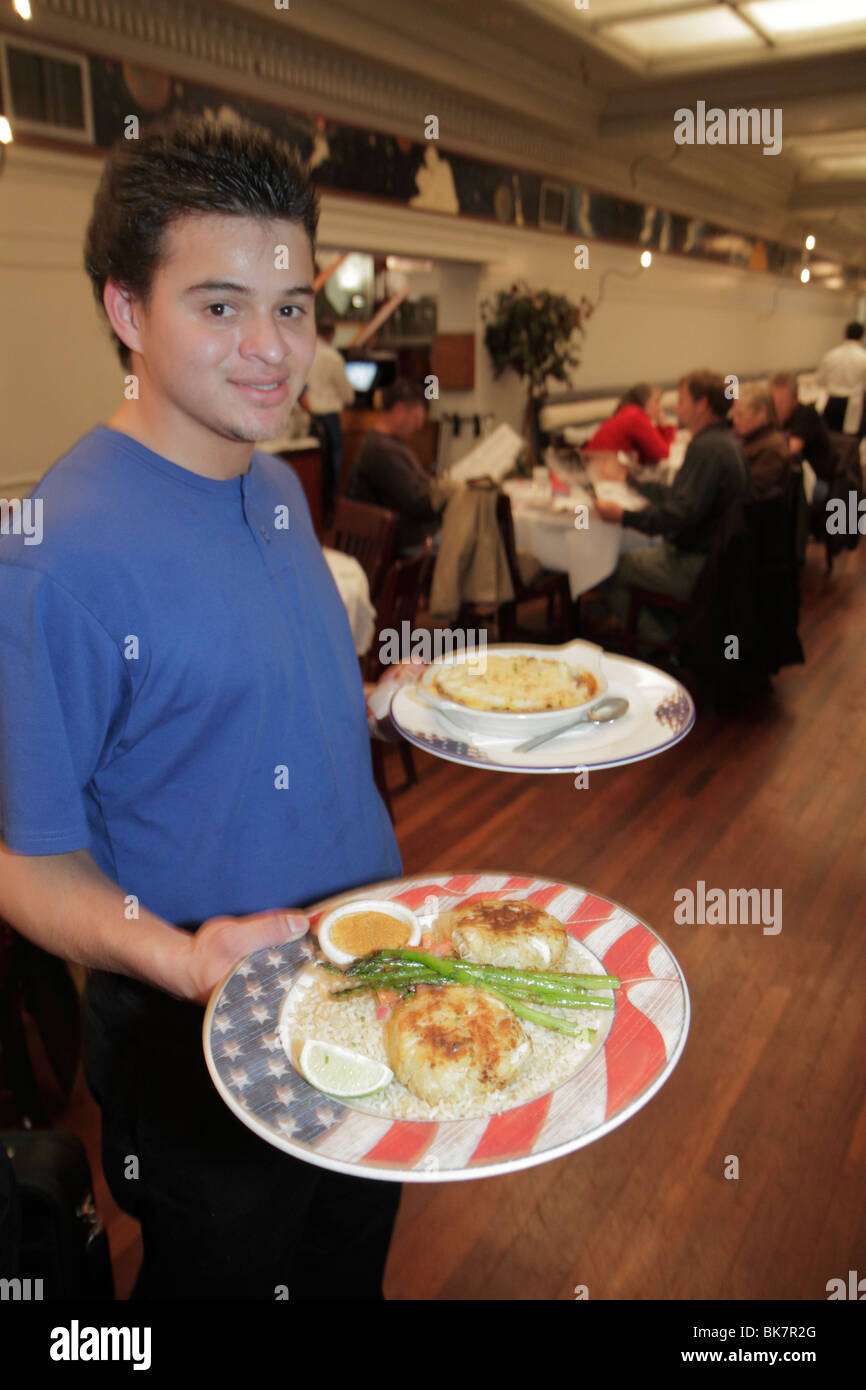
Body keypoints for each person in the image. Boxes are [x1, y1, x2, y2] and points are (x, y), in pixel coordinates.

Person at [0, 113, 409, 1301]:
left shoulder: (277, 483)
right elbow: (29, 866)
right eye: (218, 305)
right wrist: (185, 962)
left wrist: (384, 703)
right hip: (198, 1034)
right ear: (128, 311)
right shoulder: (52, 557)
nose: (271, 349)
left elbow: (249, 705)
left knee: (345, 1275)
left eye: (290, 306)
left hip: (365, 968)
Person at [593, 370, 748, 644]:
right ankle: (674, 628)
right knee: (641, 550)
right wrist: (631, 479)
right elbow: (680, 497)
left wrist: (622, 516)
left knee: (604, 567)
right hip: (723, 561)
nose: (675, 409)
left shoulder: (706, 449)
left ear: (701, 405)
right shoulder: (725, 442)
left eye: (681, 401)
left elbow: (676, 516)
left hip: (698, 567)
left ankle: (662, 642)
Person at [345, 379, 444, 554]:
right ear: (399, 410)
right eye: (417, 418)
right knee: (468, 543)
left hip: (407, 531)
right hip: (401, 540)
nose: (420, 425)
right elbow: (417, 503)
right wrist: (445, 493)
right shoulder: (381, 450)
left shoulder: (387, 443)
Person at [299, 317, 355, 525]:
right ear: (331, 334)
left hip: (308, 418)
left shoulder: (303, 354)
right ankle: (328, 516)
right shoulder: (332, 357)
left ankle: (315, 516)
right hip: (329, 418)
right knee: (332, 467)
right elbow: (348, 394)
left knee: (314, 469)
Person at [769, 370, 837, 498]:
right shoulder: (776, 419)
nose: (777, 407)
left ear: (795, 398)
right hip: (795, 478)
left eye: (782, 402)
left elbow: (791, 450)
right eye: (773, 403)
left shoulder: (806, 415)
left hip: (818, 480)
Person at [585, 383, 675, 464]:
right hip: (602, 470)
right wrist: (664, 425)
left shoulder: (627, 413)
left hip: (595, 465)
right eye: (656, 401)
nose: (659, 407)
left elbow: (650, 452)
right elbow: (662, 454)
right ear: (645, 400)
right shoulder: (635, 417)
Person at [731, 385, 790, 498]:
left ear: (762, 412)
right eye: (734, 415)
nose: (735, 421)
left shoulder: (772, 448)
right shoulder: (748, 440)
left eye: (740, 415)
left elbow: (750, 491)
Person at [816, 322, 866, 436]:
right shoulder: (863, 358)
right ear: (862, 336)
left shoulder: (830, 355)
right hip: (853, 404)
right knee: (850, 440)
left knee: (831, 437)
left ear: (844, 335)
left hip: (832, 403)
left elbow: (820, 381)